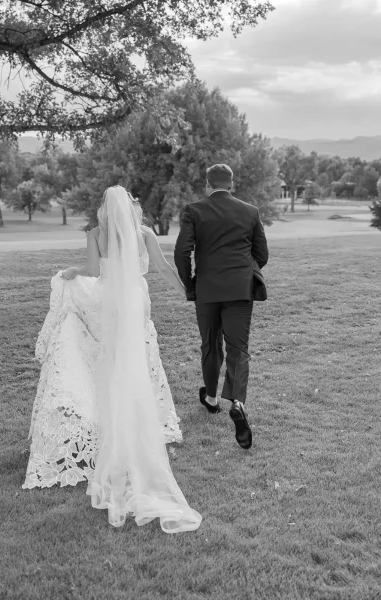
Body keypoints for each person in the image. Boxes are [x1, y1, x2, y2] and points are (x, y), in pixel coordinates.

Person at [23, 185, 201, 533]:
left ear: (105, 207)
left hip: (108, 302)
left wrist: (72, 271)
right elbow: (163, 268)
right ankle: (135, 418)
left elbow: (92, 270)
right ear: (131, 206)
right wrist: (187, 293)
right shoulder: (145, 233)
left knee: (109, 360)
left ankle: (106, 419)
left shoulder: (96, 233)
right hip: (135, 301)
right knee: (135, 359)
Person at [174, 164, 269, 450]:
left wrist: (191, 283)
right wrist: (243, 271)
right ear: (231, 182)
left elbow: (182, 252)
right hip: (240, 290)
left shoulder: (193, 210)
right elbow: (262, 254)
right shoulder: (250, 211)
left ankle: (212, 398)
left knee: (210, 344)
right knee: (238, 348)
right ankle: (237, 402)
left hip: (206, 288)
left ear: (207, 183)